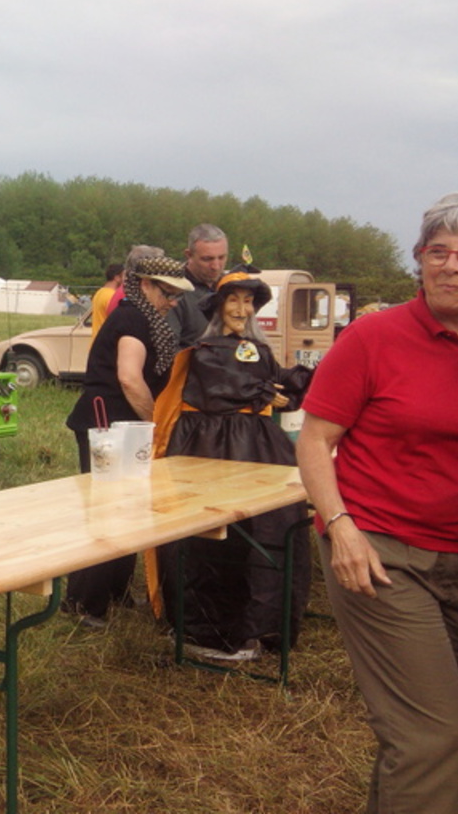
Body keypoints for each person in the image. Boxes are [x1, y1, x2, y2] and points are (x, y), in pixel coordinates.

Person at [297, 191, 458, 814]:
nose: (451, 265)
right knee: (430, 735)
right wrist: (340, 527)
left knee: (436, 732)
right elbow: (316, 441)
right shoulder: (373, 337)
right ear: (421, 260)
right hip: (380, 553)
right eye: (437, 251)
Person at [154, 271, 313, 660]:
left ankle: (265, 626)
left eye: (248, 301)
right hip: (212, 448)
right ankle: (211, 628)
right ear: (219, 306)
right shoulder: (205, 350)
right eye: (234, 300)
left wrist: (294, 384)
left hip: (257, 447)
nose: (242, 309)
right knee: (211, 535)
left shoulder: (258, 349)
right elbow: (221, 386)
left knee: (270, 527)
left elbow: (276, 382)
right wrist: (263, 392)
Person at [63, 254, 193, 626]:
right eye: (168, 293)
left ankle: (114, 591)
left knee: (129, 508)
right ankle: (84, 603)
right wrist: (154, 422)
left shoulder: (145, 318)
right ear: (146, 285)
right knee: (105, 512)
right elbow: (129, 378)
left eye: (178, 296)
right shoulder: (132, 319)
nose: (173, 303)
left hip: (124, 427)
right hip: (107, 426)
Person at [170, 224, 229, 348]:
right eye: (207, 259)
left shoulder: (230, 287)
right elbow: (168, 349)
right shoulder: (172, 291)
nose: (216, 266)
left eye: (221, 257)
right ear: (189, 255)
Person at [89, 262, 124, 341]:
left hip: (96, 341)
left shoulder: (99, 292)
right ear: (117, 278)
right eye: (124, 276)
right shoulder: (112, 296)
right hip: (106, 341)